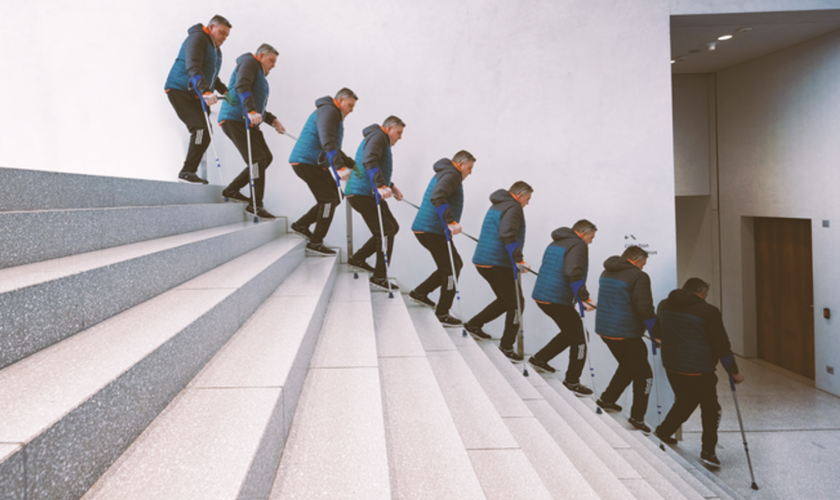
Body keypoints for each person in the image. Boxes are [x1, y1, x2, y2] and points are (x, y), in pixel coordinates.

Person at [653, 278, 745, 468]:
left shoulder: (664, 305)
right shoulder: (708, 312)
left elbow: (657, 332)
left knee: (686, 401)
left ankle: (663, 432)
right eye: (706, 293)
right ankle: (708, 452)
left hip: (672, 366)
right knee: (711, 409)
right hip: (699, 369)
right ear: (701, 292)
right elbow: (721, 344)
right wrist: (734, 372)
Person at [527, 219, 597, 396]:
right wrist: (584, 298)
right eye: (591, 237)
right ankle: (572, 381)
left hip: (544, 295)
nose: (591, 241)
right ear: (583, 233)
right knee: (581, 336)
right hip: (555, 298)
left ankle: (540, 359)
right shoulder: (578, 245)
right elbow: (572, 271)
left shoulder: (556, 242)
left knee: (570, 332)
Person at [464, 181, 533, 358]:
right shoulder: (514, 207)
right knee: (517, 303)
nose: (527, 203)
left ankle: (474, 324)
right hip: (497, 262)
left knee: (506, 300)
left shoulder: (498, 204)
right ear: (519, 195)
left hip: (485, 260)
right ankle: (507, 347)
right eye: (527, 199)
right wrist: (519, 260)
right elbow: (507, 233)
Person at [217, 44, 286, 219]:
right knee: (257, 159)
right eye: (271, 60)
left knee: (265, 158)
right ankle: (255, 205)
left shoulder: (259, 74)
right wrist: (250, 111)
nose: (273, 65)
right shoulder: (249, 62)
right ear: (261, 55)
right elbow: (242, 86)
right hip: (235, 119)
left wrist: (272, 119)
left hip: (247, 119)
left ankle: (232, 189)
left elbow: (257, 104)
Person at [593, 245, 657, 433]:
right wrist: (656, 334)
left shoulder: (607, 271)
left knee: (628, 366)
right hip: (625, 332)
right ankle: (637, 417)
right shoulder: (638, 276)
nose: (643, 268)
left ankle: (607, 400)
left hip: (606, 330)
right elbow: (644, 308)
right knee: (645, 376)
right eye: (643, 264)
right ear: (636, 260)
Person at [409, 151, 476, 326]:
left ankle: (420, 292)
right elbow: (438, 195)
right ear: (460, 164)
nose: (470, 172)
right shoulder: (452, 174)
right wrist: (451, 221)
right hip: (431, 229)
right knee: (451, 268)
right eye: (469, 168)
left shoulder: (446, 172)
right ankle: (443, 313)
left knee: (454, 264)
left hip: (431, 229)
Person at [288, 88, 358, 256]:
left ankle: (301, 225)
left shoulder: (332, 113)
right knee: (328, 199)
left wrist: (355, 167)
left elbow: (334, 148)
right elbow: (326, 140)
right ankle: (316, 243)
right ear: (340, 100)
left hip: (312, 163)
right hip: (307, 161)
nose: (351, 110)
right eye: (350, 105)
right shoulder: (329, 111)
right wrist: (339, 168)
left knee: (335, 197)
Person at [164, 15, 232, 184]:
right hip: (181, 90)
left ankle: (189, 171)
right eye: (222, 33)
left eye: (226, 36)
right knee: (200, 130)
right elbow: (193, 66)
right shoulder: (197, 38)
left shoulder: (216, 51)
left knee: (205, 133)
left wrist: (225, 91)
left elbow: (212, 76)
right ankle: (187, 172)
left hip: (196, 94)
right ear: (211, 27)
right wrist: (205, 91)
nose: (224, 38)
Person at [345, 116, 406, 290]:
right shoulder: (379, 136)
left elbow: (375, 165)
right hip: (363, 192)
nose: (400, 137)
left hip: (367, 192)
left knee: (391, 227)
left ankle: (358, 258)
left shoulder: (378, 137)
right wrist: (380, 185)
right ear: (389, 128)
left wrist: (391, 186)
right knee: (386, 231)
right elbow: (370, 160)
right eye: (398, 133)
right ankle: (380, 277)